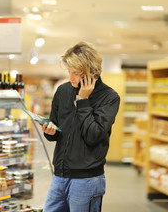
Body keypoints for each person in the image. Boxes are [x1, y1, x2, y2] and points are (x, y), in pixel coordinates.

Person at [42, 41, 120, 212]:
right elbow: (55, 128)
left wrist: (83, 101)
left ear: (92, 72)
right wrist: (49, 131)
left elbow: (93, 135)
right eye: (69, 71)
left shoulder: (109, 98)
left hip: (87, 180)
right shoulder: (63, 91)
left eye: (76, 73)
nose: (71, 77)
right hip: (59, 177)